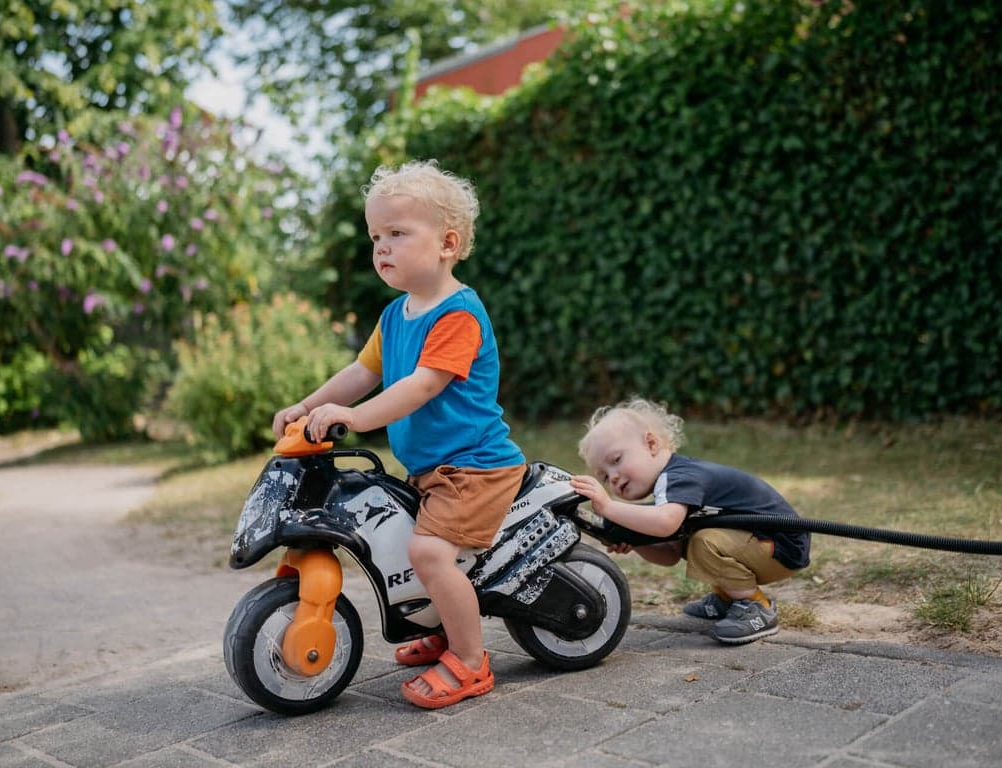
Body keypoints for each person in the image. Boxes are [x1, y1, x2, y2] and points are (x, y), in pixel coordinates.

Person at [272, 159, 526, 708]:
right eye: (375, 236)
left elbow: (421, 386)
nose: (381, 247)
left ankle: (470, 661)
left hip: (474, 466)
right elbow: (363, 373)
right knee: (401, 546)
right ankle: (443, 632)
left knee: (430, 554)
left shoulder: (458, 314)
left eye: (397, 233)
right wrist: (308, 405)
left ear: (447, 243)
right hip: (432, 468)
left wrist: (356, 417)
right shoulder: (395, 315)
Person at [570, 397, 810, 644]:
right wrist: (636, 540)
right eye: (605, 477)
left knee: (703, 542)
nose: (614, 477)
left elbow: (665, 524)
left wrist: (609, 507)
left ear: (651, 444)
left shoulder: (680, 477)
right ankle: (728, 597)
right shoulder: (671, 493)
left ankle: (755, 605)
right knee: (693, 539)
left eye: (616, 460)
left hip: (780, 544)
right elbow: (670, 554)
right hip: (760, 543)